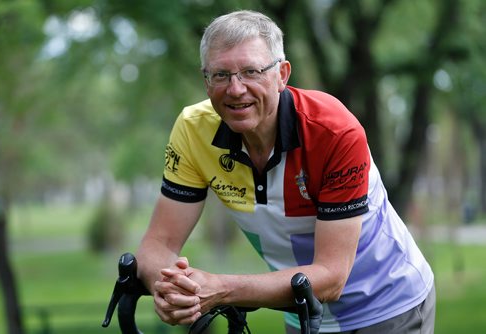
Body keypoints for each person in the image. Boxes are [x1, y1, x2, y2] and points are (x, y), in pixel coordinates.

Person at [136, 10, 435, 333]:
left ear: (282, 74)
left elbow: (331, 278)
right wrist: (172, 289)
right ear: (205, 80)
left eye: (251, 71)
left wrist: (220, 288)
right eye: (220, 74)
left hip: (387, 304)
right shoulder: (193, 131)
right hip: (300, 311)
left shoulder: (334, 132)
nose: (236, 89)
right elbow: (157, 246)